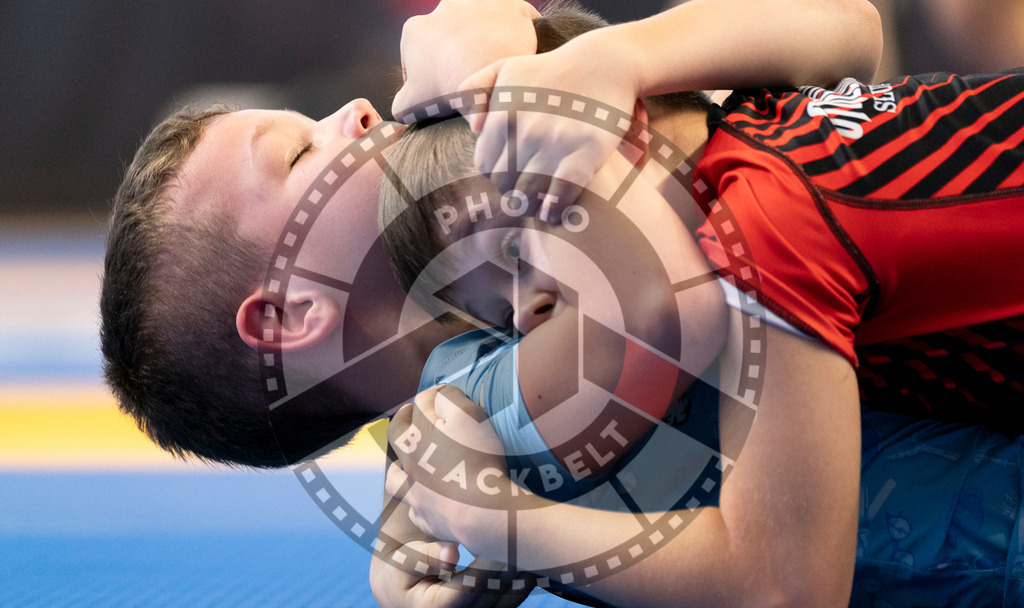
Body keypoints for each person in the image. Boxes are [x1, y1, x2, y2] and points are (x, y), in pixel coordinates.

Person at [376, 1, 1024, 608]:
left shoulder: (769, 226)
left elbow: (784, 595)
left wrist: (492, 518)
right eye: (502, 314)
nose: (525, 315)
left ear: (611, 140)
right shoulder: (756, 114)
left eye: (522, 253)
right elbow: (847, 24)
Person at [99, 0, 883, 468]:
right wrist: (486, 66)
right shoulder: (491, 427)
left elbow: (851, 28)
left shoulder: (472, 155)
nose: (357, 113)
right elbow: (664, 308)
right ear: (289, 316)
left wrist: (617, 52)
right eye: (303, 151)